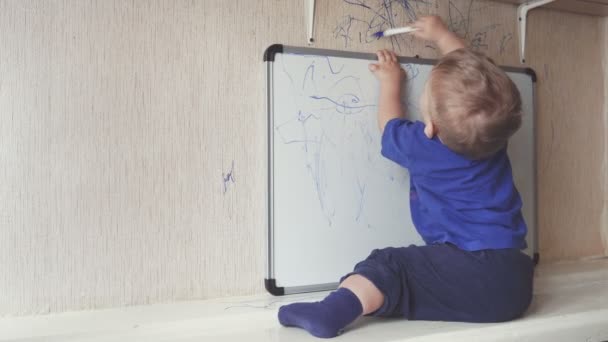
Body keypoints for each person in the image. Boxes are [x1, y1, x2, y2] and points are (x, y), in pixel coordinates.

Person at [277, 16, 534, 338]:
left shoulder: (421, 145)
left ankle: (332, 311)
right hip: (515, 283)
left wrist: (391, 82)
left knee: (388, 265)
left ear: (430, 126)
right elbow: (477, 87)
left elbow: (389, 124)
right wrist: (442, 36)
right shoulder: (493, 138)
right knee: (412, 280)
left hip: (471, 271)